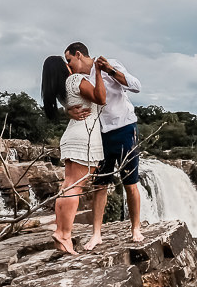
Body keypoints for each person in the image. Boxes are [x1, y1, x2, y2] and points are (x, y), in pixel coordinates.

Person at [61, 42, 143, 249]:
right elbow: (69, 101)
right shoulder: (77, 80)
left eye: (69, 60)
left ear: (79, 55)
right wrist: (67, 111)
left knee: (130, 183)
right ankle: (96, 234)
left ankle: (136, 229)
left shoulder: (109, 64)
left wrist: (111, 71)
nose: (68, 66)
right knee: (100, 185)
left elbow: (136, 86)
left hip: (125, 128)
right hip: (99, 135)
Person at [41, 52, 106, 254]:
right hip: (85, 136)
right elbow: (100, 98)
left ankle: (60, 231)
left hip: (71, 135)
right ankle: (64, 234)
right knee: (75, 188)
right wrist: (98, 74)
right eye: (66, 62)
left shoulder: (59, 90)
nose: (70, 64)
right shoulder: (75, 80)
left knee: (67, 185)